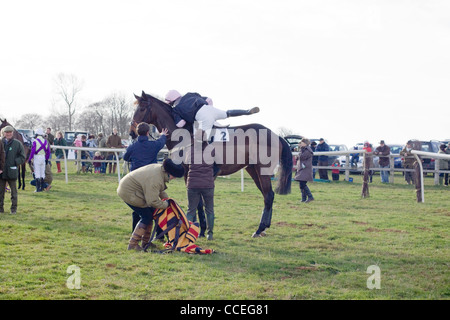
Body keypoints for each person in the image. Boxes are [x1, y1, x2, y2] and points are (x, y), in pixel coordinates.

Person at [117, 159, 185, 251]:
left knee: (150, 215)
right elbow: (152, 201)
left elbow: (160, 190)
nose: (175, 178)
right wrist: (166, 204)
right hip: (129, 192)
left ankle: (145, 242)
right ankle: (133, 244)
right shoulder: (155, 179)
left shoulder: (160, 170)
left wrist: (167, 200)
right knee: (147, 217)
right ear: (169, 173)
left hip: (131, 189)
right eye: (175, 176)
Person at [123, 122, 169, 233]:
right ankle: (159, 233)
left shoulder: (133, 146)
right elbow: (161, 142)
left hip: (135, 182)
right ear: (148, 132)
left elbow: (125, 157)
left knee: (138, 208)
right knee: (155, 206)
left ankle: (135, 231)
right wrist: (163, 135)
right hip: (151, 179)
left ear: (137, 133)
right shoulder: (153, 145)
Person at [164, 90, 260, 139]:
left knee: (200, 140)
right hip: (210, 109)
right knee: (227, 113)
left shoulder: (175, 109)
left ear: (171, 101)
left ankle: (213, 163)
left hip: (202, 118)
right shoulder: (190, 94)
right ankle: (247, 111)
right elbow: (209, 100)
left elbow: (181, 124)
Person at [185, 138, 216, 240]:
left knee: (191, 211)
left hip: (193, 184)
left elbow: (186, 163)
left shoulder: (190, 149)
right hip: (208, 184)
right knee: (209, 210)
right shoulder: (211, 149)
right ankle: (210, 234)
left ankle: (187, 233)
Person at [0, 126, 26, 214]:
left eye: (10, 132)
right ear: (4, 133)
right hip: (1, 171)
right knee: (0, 192)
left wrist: (15, 162)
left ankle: (13, 209)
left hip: (12, 171)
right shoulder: (1, 142)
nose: (8, 134)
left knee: (14, 193)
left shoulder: (17, 144)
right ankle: (0, 209)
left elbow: (23, 157)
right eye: (7, 132)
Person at [28, 128, 51, 193]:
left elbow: (32, 151)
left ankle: (38, 189)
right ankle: (41, 188)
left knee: (37, 173)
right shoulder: (46, 141)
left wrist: (30, 159)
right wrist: (46, 159)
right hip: (43, 157)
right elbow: (48, 151)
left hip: (37, 157)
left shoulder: (35, 141)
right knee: (42, 173)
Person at [294, 138, 314, 203]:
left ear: (305, 143)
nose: (300, 143)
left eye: (301, 142)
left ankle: (310, 197)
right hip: (302, 168)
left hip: (305, 169)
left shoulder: (307, 150)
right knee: (301, 184)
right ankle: (304, 198)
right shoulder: (303, 149)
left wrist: (298, 155)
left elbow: (302, 157)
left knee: (302, 184)